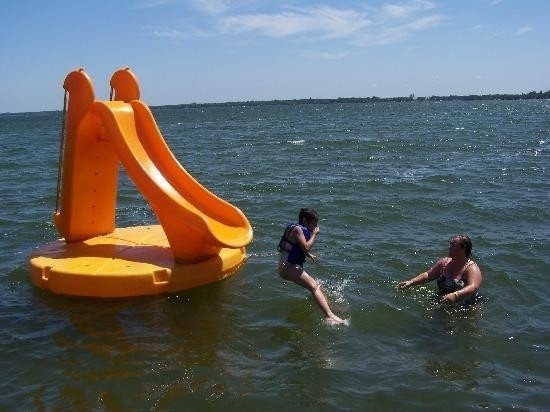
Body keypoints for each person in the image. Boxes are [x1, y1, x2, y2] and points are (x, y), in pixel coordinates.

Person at [277, 208, 346, 325]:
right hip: (287, 268)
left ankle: (328, 308)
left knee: (317, 286)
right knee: (314, 286)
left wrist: (308, 255)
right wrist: (314, 235)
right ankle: (329, 316)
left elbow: (299, 247)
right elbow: (306, 246)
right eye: (314, 223)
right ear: (304, 220)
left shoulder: (296, 228)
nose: (316, 226)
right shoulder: (298, 230)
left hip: (288, 266)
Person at [398, 235, 483, 305]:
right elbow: (428, 275)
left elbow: (473, 287)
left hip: (466, 306)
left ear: (463, 249)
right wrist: (411, 282)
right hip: (442, 301)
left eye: (453, 245)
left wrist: (455, 295)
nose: (449, 247)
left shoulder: (471, 268)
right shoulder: (444, 263)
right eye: (450, 245)